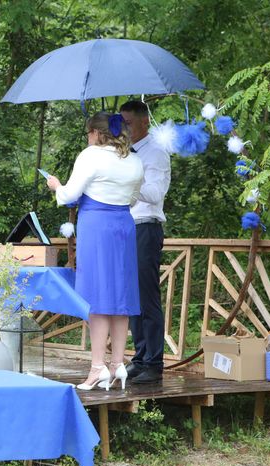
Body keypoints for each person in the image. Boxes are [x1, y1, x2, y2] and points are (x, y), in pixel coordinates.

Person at [47, 112, 143, 391]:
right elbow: (134, 198)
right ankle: (118, 364)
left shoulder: (90, 156)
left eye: (89, 133)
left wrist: (56, 185)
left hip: (97, 226)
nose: (88, 138)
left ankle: (97, 367)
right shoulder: (135, 160)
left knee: (97, 297)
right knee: (120, 295)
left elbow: (68, 195)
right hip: (123, 224)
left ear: (98, 134)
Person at [120, 100, 171, 384]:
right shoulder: (124, 154)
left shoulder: (156, 153)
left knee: (147, 296)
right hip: (125, 228)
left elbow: (154, 193)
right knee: (131, 298)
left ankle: (154, 362)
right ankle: (140, 357)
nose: (124, 128)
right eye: (121, 123)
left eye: (128, 123)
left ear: (143, 123)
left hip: (146, 227)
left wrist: (131, 179)